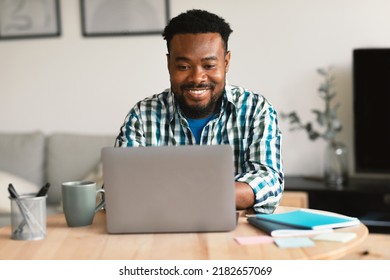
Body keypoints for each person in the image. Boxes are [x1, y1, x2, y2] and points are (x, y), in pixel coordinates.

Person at [115, 9, 284, 214]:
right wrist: (213, 194)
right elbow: (121, 189)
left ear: (226, 62)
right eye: (184, 66)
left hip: (234, 237)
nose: (197, 77)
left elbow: (269, 182)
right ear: (169, 64)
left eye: (209, 65)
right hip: (159, 235)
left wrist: (183, 194)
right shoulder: (142, 116)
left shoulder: (256, 110)